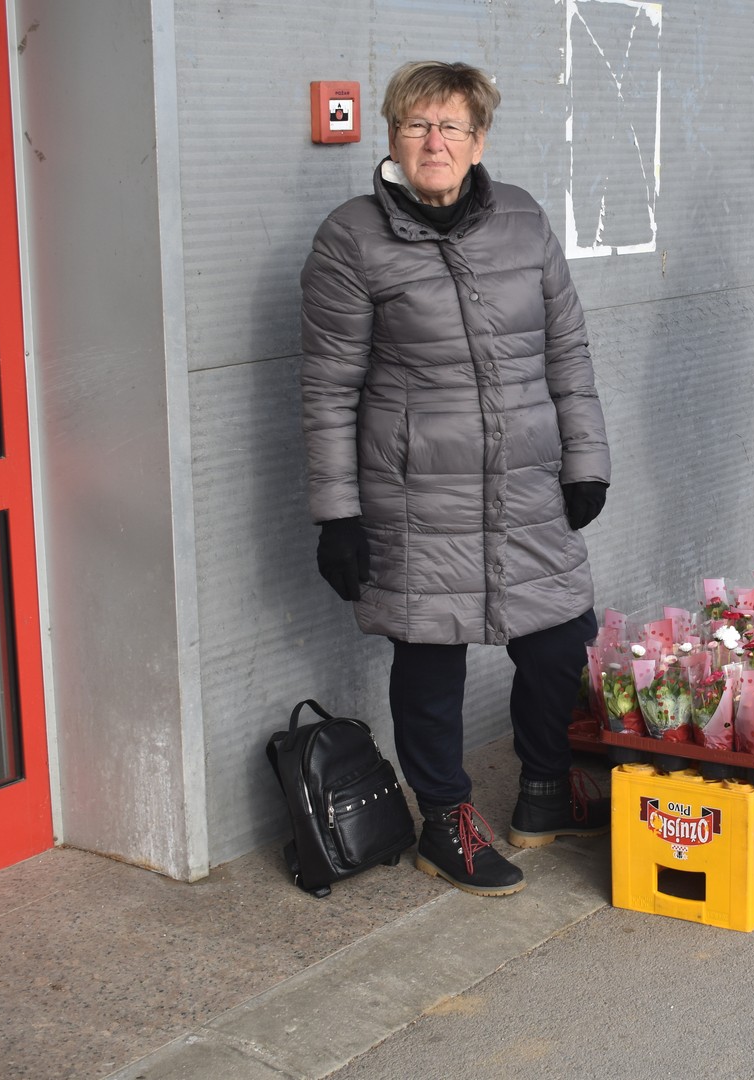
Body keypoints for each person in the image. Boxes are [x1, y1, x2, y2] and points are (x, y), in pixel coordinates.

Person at [300, 61, 611, 897]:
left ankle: (545, 791)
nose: (434, 143)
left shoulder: (522, 220)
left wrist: (585, 460)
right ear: (393, 137)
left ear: (479, 140)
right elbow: (329, 386)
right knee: (430, 659)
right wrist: (337, 512)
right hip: (415, 493)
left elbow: (567, 352)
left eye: (452, 128)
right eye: (417, 126)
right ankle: (447, 821)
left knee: (558, 644)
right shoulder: (350, 237)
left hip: (526, 483)